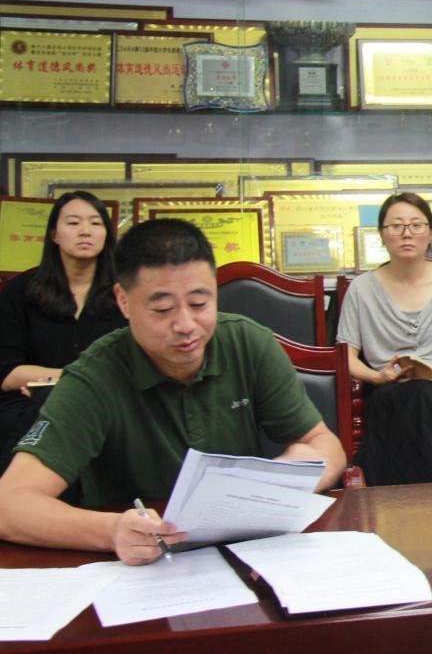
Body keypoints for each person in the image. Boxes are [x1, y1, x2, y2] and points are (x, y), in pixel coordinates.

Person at [0, 218, 345, 565]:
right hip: (142, 566)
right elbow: (9, 505)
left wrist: (289, 475)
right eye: (162, 309)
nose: (185, 325)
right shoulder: (94, 377)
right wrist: (112, 531)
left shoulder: (248, 344)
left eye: (199, 303)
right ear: (123, 300)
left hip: (244, 554)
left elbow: (324, 444)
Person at [336, 192, 432, 484]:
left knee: (424, 394)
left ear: (430, 233)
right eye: (396, 226)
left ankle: (389, 495)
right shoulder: (361, 289)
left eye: (416, 225)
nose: (407, 233)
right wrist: (377, 377)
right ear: (382, 234)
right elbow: (345, 357)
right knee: (409, 397)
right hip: (385, 390)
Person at [0, 192, 126, 474]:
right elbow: (8, 374)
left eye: (95, 223)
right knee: (42, 408)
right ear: (54, 234)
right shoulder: (20, 292)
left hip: (108, 403)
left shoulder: (127, 293)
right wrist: (72, 383)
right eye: (73, 222)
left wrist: (54, 382)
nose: (85, 231)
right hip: (26, 405)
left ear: (107, 234)